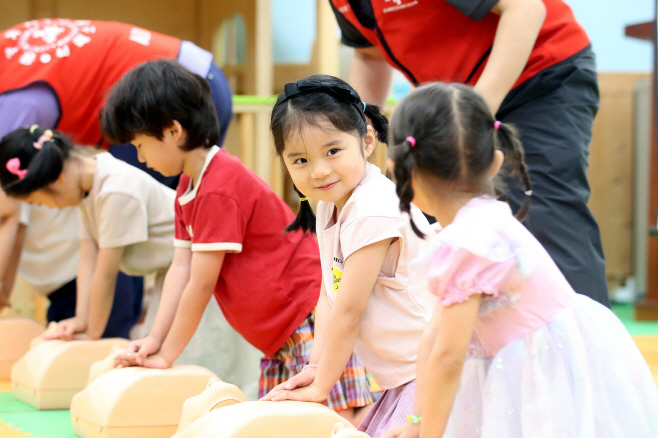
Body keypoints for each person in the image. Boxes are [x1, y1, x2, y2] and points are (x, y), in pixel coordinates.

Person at [382, 83, 658, 438]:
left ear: (400, 171)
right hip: (550, 361)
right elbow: (435, 338)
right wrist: (415, 422)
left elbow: (447, 357)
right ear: (496, 161)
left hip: (540, 373)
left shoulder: (469, 243)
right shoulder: (483, 221)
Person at [105, 60, 372, 422]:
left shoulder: (219, 185)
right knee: (286, 425)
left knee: (341, 419)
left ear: (171, 131)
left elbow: (200, 284)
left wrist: (167, 355)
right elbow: (179, 270)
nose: (140, 158)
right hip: (276, 332)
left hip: (304, 313)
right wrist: (153, 340)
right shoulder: (188, 186)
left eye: (140, 145)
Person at [329, 0, 609, 306]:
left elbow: (526, 9)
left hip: (539, 73)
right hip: (455, 100)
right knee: (425, 220)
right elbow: (369, 54)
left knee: (542, 214)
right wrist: (351, 145)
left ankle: (588, 347)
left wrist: (471, 119)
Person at [260, 75, 436, 437]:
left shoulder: (372, 208)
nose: (319, 171)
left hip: (431, 369)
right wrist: (315, 365)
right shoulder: (330, 204)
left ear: (366, 141)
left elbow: (350, 310)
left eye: (332, 151)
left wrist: (322, 386)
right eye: (300, 160)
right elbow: (330, 295)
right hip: (404, 374)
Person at [0, 126, 176, 339]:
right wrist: (81, 320)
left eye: (39, 202)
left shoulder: (115, 190)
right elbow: (87, 260)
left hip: (198, 266)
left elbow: (106, 274)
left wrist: (92, 335)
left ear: (57, 177)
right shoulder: (88, 187)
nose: (50, 207)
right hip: (172, 270)